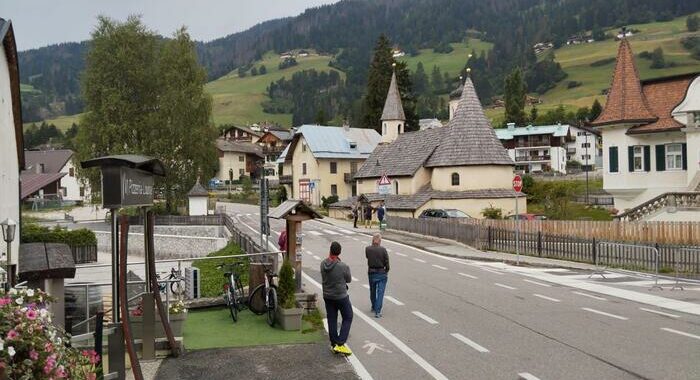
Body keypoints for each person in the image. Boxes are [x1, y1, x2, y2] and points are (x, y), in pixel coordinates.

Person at [321, 241, 354, 355]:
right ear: (339, 252)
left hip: (327, 296)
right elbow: (348, 279)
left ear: (330, 250)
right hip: (341, 296)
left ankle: (334, 343)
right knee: (348, 316)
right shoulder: (343, 266)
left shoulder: (323, 264)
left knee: (332, 319)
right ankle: (340, 343)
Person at [365, 233, 389, 318]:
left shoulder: (367, 249)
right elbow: (387, 263)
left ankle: (373, 306)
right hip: (381, 272)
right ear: (379, 241)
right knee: (380, 292)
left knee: (372, 290)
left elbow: (368, 257)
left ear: (372, 240)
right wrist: (386, 271)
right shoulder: (383, 250)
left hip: (371, 272)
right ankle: (378, 311)